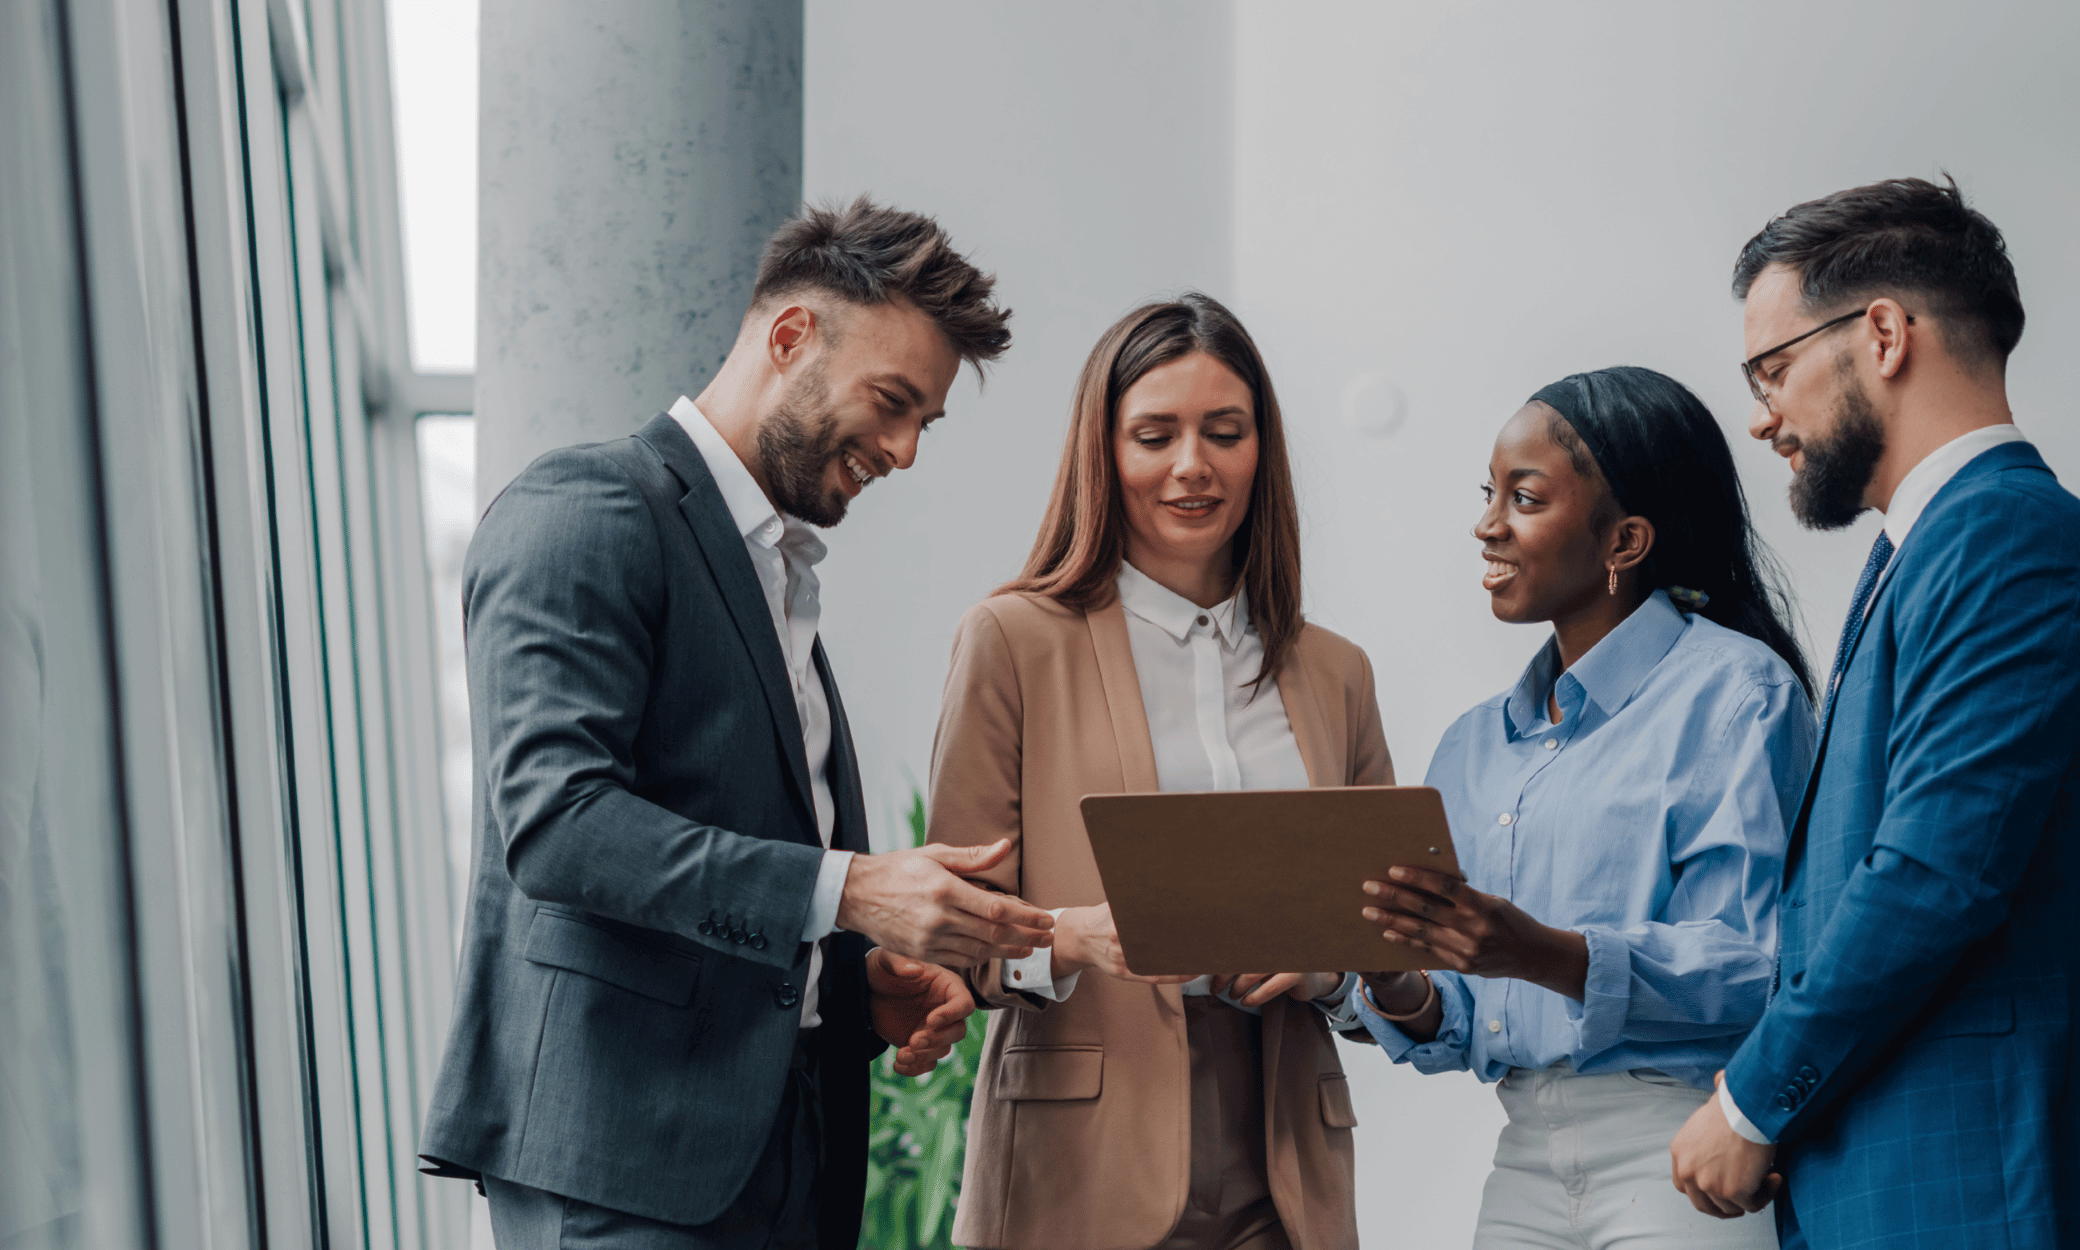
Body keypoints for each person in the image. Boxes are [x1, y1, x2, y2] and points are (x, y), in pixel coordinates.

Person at [418, 198, 1059, 1250]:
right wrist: (852, 888)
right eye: (891, 401)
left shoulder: (774, 571)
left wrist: (848, 983)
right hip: (625, 1167)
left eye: (923, 424)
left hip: (780, 1155)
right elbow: (559, 825)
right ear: (792, 336)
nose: (902, 450)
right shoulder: (588, 511)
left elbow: (727, 843)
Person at [925, 294, 1389, 1250]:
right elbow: (956, 943)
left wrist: (1327, 968)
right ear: (1104, 451)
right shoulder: (1013, 641)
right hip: (1081, 1161)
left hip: (1285, 1163)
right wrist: (1075, 938)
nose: (1193, 466)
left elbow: (1397, 949)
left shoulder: (1336, 671)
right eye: (1154, 434)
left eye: (1226, 432)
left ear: (1263, 451)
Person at [1671, 177, 2080, 1249]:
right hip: (1890, 1175)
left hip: (1963, 1184)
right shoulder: (1927, 547)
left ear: (1884, 333)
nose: (1761, 417)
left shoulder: (2004, 537)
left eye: (1772, 369)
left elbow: (1936, 872)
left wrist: (1752, 1096)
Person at [1357, 366, 1817, 1249]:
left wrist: (1541, 951)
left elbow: (1759, 964)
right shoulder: (1471, 745)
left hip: (1681, 1145)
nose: (1486, 524)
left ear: (1626, 540)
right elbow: (1458, 1015)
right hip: (1524, 1150)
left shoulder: (1737, 694)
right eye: (1488, 493)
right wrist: (1388, 976)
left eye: (1523, 498)